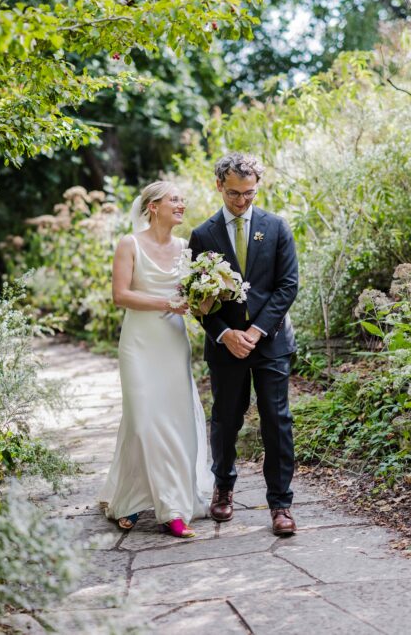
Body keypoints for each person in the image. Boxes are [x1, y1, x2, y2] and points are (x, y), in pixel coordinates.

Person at [188, 153, 300, 536]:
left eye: (249, 193)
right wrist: (225, 333)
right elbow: (195, 297)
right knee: (226, 420)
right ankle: (223, 487)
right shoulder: (203, 235)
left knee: (276, 420)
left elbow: (288, 286)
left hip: (270, 343)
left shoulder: (277, 227)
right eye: (235, 193)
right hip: (226, 346)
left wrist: (256, 332)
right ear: (219, 185)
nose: (242, 201)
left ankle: (281, 504)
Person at [98, 180, 213, 538]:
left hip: (172, 343)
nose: (181, 205)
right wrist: (167, 303)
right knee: (143, 421)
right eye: (173, 200)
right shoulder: (129, 245)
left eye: (182, 199)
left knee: (175, 423)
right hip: (139, 344)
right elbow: (121, 295)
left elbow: (196, 303)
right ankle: (147, 501)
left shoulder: (186, 247)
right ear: (153, 206)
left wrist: (213, 295)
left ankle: (168, 506)